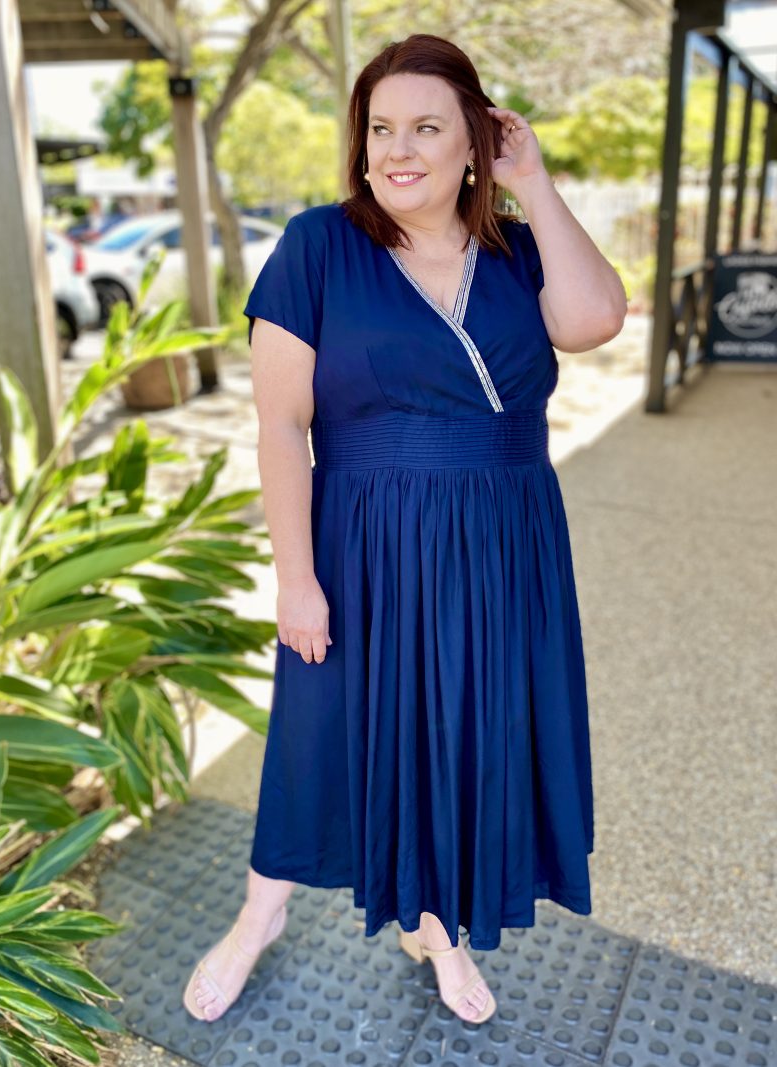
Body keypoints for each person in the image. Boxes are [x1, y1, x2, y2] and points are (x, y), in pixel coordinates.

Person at [183, 32, 627, 1027]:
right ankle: (259, 914)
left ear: (475, 141)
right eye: (380, 128)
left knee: (460, 731)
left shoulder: (516, 250)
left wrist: (534, 180)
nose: (397, 149)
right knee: (320, 728)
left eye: (426, 127)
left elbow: (595, 319)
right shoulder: (317, 245)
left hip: (502, 541)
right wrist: (296, 578)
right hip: (362, 541)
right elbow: (280, 424)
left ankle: (437, 923)